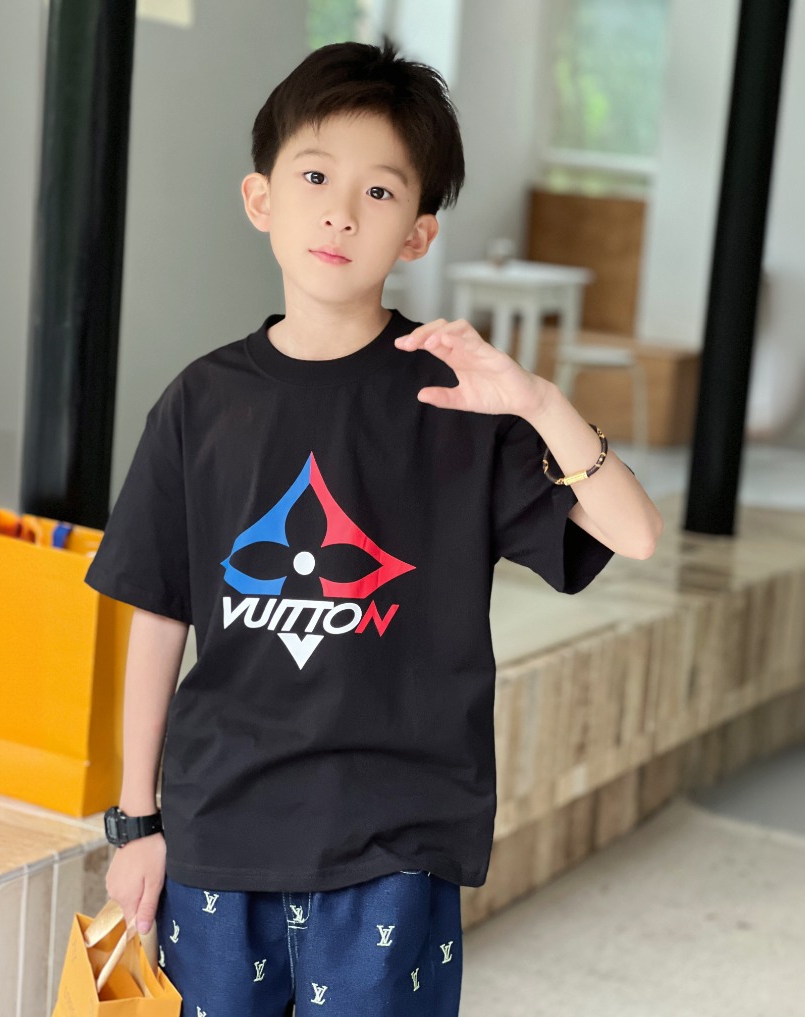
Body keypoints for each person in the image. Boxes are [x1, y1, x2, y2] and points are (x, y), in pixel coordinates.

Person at [84, 36, 662, 1017]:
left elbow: (636, 534)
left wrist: (536, 400)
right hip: (222, 833)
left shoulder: (459, 403)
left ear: (419, 235)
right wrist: (138, 822)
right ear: (261, 198)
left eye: (381, 191)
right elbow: (157, 615)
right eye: (315, 176)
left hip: (396, 844)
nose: (341, 212)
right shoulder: (200, 403)